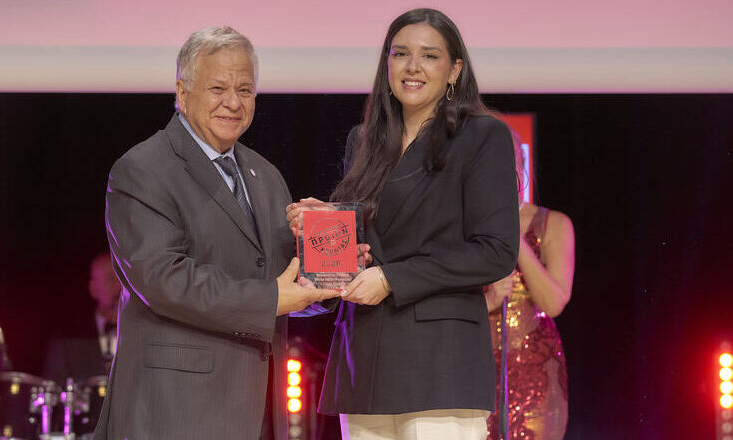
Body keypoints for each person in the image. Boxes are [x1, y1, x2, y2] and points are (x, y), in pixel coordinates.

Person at [94, 26, 338, 440]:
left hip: (261, 412)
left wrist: (330, 261)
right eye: (218, 88)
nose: (233, 102)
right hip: (176, 413)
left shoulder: (265, 175)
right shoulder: (142, 169)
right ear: (182, 92)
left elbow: (279, 281)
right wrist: (271, 298)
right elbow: (164, 280)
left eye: (245, 90)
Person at [287, 8, 520, 439]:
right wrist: (325, 228)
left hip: (440, 364)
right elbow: (367, 250)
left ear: (454, 70)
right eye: (400, 54)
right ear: (387, 64)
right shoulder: (364, 141)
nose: (413, 66)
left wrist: (392, 279)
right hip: (363, 361)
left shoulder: (481, 137)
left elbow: (496, 252)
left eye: (429, 55)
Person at [484, 131, 575, 440]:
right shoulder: (463, 227)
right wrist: (489, 300)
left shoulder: (553, 224)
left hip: (536, 377)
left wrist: (513, 233)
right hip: (475, 374)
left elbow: (554, 302)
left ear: (521, 164)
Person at [43, 251, 120, 384]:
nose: (120, 286)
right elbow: (53, 387)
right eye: (111, 279)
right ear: (93, 289)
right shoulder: (66, 338)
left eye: (123, 279)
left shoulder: (145, 331)